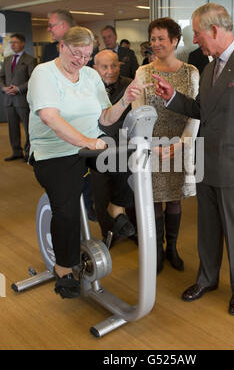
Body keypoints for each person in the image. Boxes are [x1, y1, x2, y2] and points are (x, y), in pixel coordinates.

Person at [153, 3, 234, 315]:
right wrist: (172, 96)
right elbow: (202, 113)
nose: (195, 40)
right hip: (206, 165)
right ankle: (207, 278)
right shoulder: (209, 68)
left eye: (197, 33)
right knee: (207, 229)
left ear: (214, 30)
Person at [27, 26, 145, 299]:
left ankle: (116, 210)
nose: (81, 60)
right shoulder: (44, 74)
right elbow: (50, 118)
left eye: (87, 55)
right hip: (54, 153)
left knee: (128, 154)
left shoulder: (91, 75)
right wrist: (88, 142)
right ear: (62, 47)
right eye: (77, 53)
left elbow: (105, 118)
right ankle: (63, 268)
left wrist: (125, 100)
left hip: (90, 142)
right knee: (66, 209)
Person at [133, 17, 200, 274]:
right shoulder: (144, 72)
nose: (156, 43)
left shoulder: (190, 72)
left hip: (180, 144)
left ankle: (172, 248)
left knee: (174, 199)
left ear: (174, 41)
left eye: (161, 38)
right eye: (153, 39)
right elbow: (138, 111)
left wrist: (183, 143)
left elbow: (196, 111)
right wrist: (150, 145)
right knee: (153, 199)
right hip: (151, 145)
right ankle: (158, 250)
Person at [91, 49, 135, 245]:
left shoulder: (130, 85)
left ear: (120, 65)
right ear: (95, 69)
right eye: (104, 67)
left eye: (114, 65)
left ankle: (133, 230)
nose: (110, 71)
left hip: (126, 148)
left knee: (131, 189)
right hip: (98, 148)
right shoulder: (88, 87)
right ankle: (108, 234)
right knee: (101, 194)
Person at [0, 33, 37, 162]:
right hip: (8, 100)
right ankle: (16, 151)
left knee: (28, 128)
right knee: (12, 128)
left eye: (15, 42)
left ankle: (28, 152)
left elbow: (33, 79)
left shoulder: (30, 60)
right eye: (11, 42)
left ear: (22, 43)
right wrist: (3, 88)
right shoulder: (7, 59)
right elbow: (1, 77)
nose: (13, 45)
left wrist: (19, 88)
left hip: (22, 99)